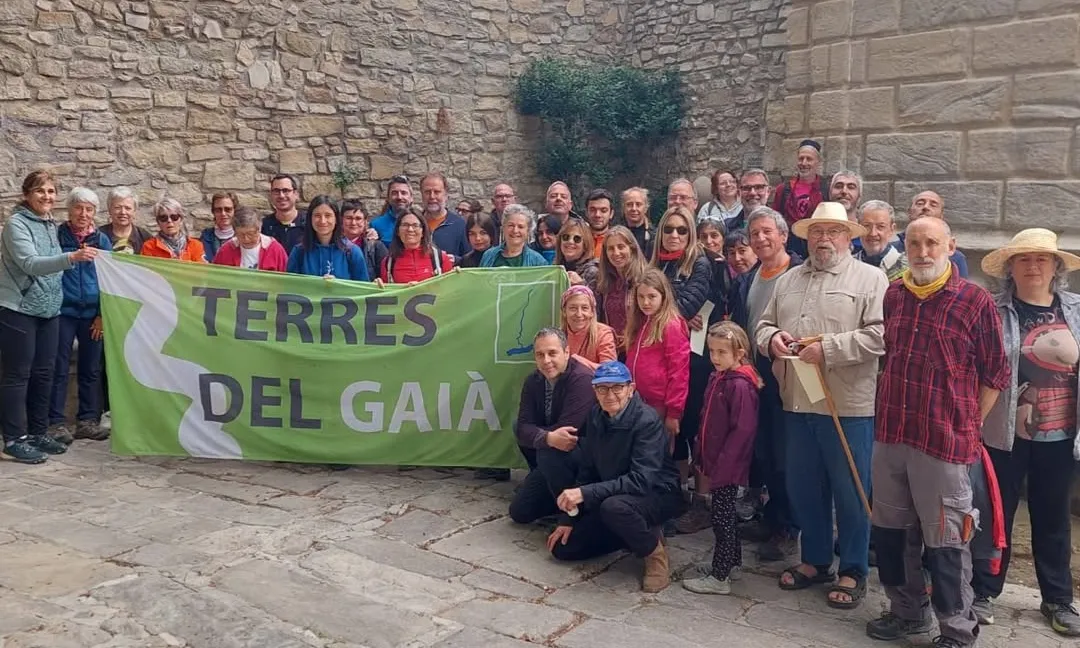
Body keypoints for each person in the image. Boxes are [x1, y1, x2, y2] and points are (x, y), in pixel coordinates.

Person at [867, 217, 1010, 648]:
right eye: (914, 243)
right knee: (892, 534)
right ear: (905, 246)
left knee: (948, 542)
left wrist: (967, 424)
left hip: (944, 442)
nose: (923, 252)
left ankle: (956, 629)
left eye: (932, 243)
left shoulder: (974, 301)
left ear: (951, 246)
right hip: (892, 433)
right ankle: (906, 611)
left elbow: (996, 373)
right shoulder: (894, 295)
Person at [756, 202, 887, 610]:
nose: (824, 239)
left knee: (850, 490)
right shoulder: (789, 279)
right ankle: (814, 560)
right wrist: (772, 337)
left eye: (833, 231)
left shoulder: (871, 279)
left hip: (847, 404)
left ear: (849, 237)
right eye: (817, 232)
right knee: (803, 487)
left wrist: (828, 349)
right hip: (797, 400)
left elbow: (881, 336)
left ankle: (852, 568)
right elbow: (763, 325)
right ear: (806, 237)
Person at [972, 229, 1080, 637]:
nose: (1033, 266)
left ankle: (1057, 599)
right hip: (1001, 434)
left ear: (1056, 267)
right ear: (1010, 268)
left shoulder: (1075, 310)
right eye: (1024, 259)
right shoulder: (993, 310)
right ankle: (983, 590)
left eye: (1042, 259)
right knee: (993, 514)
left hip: (1060, 435)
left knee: (1053, 518)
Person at [546, 360, 683, 593]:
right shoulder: (595, 416)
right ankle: (632, 534)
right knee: (562, 549)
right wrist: (569, 518)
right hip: (615, 492)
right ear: (595, 392)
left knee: (614, 507)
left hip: (656, 493)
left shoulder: (646, 421)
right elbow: (587, 469)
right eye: (602, 388)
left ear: (631, 389)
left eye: (617, 387)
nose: (610, 395)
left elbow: (641, 480)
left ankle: (654, 552)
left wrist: (584, 493)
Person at [0, 170, 98, 464]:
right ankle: (14, 439)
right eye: (40, 191)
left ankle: (38, 431)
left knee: (45, 372)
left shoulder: (47, 223)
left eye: (51, 192)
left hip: (48, 309)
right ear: (27, 194)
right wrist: (72, 258)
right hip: (19, 308)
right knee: (18, 375)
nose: (47, 197)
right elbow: (30, 263)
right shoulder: (16, 224)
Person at [729, 207, 802, 562]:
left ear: (783, 235)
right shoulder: (749, 278)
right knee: (766, 454)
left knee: (789, 455)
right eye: (754, 233)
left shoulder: (801, 272)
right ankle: (772, 518)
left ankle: (790, 526)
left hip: (791, 378)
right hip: (756, 376)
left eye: (766, 232)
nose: (760, 239)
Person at [682, 322, 763, 595]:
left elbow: (743, 430)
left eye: (722, 352)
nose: (715, 357)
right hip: (715, 461)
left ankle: (720, 575)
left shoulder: (739, 386)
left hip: (727, 467)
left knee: (722, 519)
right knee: (724, 516)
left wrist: (725, 467)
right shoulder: (719, 377)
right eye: (712, 351)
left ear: (739, 353)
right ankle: (732, 562)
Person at [652, 205, 713, 533]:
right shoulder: (657, 262)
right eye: (669, 229)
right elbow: (645, 301)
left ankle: (701, 503)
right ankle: (675, 496)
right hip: (662, 356)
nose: (674, 235)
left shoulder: (699, 264)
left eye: (682, 230)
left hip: (695, 359)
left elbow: (687, 305)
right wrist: (670, 311)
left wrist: (660, 307)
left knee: (693, 427)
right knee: (671, 431)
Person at [508, 327, 596, 522]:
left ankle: (575, 512)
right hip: (550, 455)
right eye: (540, 355)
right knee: (519, 513)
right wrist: (546, 437)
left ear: (566, 352)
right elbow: (522, 428)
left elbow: (569, 432)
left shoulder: (582, 380)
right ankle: (551, 491)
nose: (546, 360)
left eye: (552, 353)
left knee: (549, 450)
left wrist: (541, 436)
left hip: (581, 459)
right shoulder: (533, 381)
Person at [47, 187, 112, 444]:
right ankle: (55, 423)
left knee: (91, 368)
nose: (83, 214)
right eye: (78, 208)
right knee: (58, 367)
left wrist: (102, 315)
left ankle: (87, 420)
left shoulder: (102, 240)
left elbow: (110, 280)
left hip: (91, 315)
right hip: (63, 312)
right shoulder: (58, 235)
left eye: (89, 209)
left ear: (95, 212)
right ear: (69, 210)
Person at [625, 268, 690, 455]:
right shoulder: (640, 322)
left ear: (663, 296)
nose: (645, 302)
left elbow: (680, 371)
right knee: (640, 451)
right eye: (641, 297)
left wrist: (674, 413)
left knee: (656, 454)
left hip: (660, 403)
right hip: (637, 399)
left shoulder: (671, 324)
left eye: (652, 296)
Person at [286, 196, 369, 281]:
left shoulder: (353, 252)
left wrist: (338, 286)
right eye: (317, 215)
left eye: (328, 215)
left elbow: (363, 289)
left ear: (336, 219)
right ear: (310, 219)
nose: (323, 221)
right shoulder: (299, 252)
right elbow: (290, 287)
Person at [770, 140, 827, 258]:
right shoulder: (783, 189)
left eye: (809, 159)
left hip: (817, 246)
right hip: (789, 249)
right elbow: (775, 219)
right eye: (801, 158)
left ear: (818, 162)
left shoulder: (826, 190)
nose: (804, 163)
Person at [596, 226, 648, 350]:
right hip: (611, 349)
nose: (616, 253)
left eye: (621, 247)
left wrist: (631, 336)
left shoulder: (645, 279)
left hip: (640, 348)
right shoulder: (604, 281)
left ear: (632, 248)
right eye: (611, 249)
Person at [901, 190, 969, 278]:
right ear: (909, 212)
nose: (925, 207)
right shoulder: (891, 250)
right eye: (920, 203)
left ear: (941, 215)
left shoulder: (955, 257)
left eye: (933, 205)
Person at [380, 207, 454, 284]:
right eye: (405, 225)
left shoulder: (440, 259)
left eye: (415, 225)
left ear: (423, 231)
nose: (410, 229)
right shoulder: (388, 263)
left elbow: (450, 290)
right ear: (398, 231)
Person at [212, 207, 289, 272]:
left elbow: (286, 278)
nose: (246, 239)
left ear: (259, 229)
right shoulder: (226, 250)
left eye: (251, 234)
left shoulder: (274, 249)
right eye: (240, 234)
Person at [561, 285, 617, 370]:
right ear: (564, 311)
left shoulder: (603, 333)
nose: (579, 314)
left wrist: (576, 361)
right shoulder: (557, 335)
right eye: (573, 308)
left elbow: (609, 370)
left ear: (592, 312)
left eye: (584, 308)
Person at [480, 204, 549, 267]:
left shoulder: (538, 261)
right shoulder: (488, 255)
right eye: (511, 225)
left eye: (520, 227)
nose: (515, 230)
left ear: (528, 231)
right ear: (503, 228)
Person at [141, 198, 207, 262]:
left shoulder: (195, 245)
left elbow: (201, 271)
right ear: (158, 222)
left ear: (181, 220)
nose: (169, 221)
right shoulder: (149, 247)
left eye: (174, 217)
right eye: (163, 218)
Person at [856, 200, 906, 281]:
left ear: (892, 229)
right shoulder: (847, 266)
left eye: (880, 226)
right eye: (867, 226)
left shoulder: (907, 270)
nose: (873, 233)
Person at [697, 219, 735, 325]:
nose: (709, 241)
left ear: (723, 239)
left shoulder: (735, 262)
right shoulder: (693, 264)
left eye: (714, 235)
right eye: (704, 237)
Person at [341, 199, 388, 280]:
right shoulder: (332, 245)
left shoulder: (376, 248)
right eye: (349, 218)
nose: (353, 223)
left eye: (358, 218)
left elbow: (386, 276)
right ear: (341, 220)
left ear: (365, 222)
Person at [261, 174, 306, 254]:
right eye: (276, 191)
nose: (281, 195)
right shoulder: (264, 226)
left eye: (286, 190)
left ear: (296, 194)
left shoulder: (309, 223)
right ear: (271, 195)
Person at [101, 187, 151, 255]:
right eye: (117, 207)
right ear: (109, 210)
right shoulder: (98, 236)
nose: (123, 212)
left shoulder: (145, 237)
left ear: (134, 211)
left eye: (128, 208)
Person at [369, 174, 414, 245]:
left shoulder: (420, 223)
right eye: (394, 193)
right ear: (388, 198)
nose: (399, 197)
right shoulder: (376, 225)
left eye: (403, 193)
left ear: (411, 197)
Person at [556, 218, 599, 290]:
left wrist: (581, 285)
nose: (570, 242)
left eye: (577, 239)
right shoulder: (556, 268)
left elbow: (598, 300)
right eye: (566, 237)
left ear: (585, 245)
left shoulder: (593, 271)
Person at [730, 168, 773, 233]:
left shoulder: (781, 225)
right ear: (739, 193)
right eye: (746, 188)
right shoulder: (726, 228)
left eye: (759, 187)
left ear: (768, 192)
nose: (752, 193)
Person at [200, 192, 237, 262]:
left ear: (235, 211)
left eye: (228, 209)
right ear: (213, 212)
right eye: (218, 210)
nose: (223, 213)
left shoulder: (243, 236)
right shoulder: (206, 236)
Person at [620, 187, 653, 257]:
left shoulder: (654, 237)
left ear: (646, 208)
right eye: (629, 204)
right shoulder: (616, 234)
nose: (634, 209)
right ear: (623, 208)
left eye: (638, 204)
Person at [585, 188, 615, 257]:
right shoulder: (576, 239)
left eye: (603, 210)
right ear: (586, 212)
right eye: (593, 210)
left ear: (611, 214)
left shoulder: (618, 240)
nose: (597, 215)